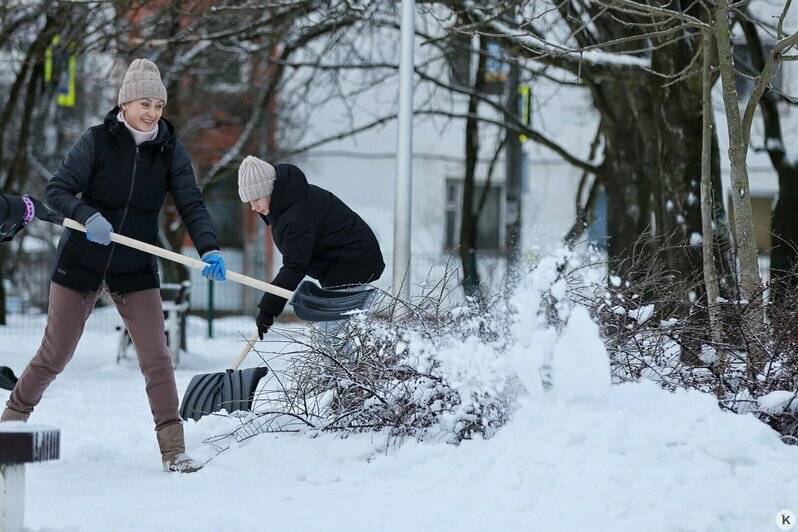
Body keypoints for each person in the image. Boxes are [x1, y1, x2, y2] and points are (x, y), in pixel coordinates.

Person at [1, 59, 227, 474]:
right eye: (145, 102)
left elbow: (191, 202)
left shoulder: (169, 150)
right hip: (81, 261)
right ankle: (10, 427)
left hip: (134, 263)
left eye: (159, 104)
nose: (153, 112)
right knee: (55, 354)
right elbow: (56, 192)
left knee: (157, 357)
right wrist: (87, 216)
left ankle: (173, 450)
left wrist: (208, 247)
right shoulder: (96, 142)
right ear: (124, 103)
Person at [237, 156, 384, 340]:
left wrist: (268, 309)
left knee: (332, 335)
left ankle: (345, 369)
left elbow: (294, 266)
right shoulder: (286, 205)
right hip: (344, 264)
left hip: (353, 263)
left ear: (269, 190)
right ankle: (350, 367)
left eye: (256, 198)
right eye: (249, 201)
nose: (253, 207)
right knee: (335, 334)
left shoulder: (295, 216)